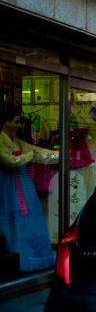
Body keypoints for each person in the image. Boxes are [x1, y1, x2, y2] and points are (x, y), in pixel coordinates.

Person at [0, 108, 58, 273]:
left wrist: (57, 155)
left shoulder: (16, 140)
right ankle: (21, 259)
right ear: (6, 121)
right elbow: (6, 159)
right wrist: (27, 157)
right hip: (8, 183)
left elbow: (38, 153)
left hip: (19, 181)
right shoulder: (2, 140)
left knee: (24, 219)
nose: (19, 125)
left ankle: (29, 259)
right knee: (13, 219)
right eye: (16, 121)